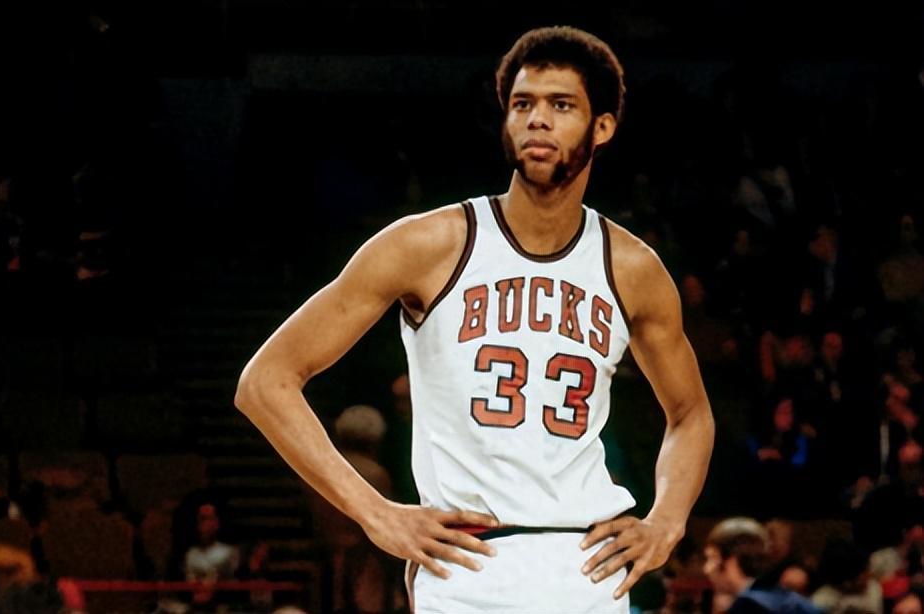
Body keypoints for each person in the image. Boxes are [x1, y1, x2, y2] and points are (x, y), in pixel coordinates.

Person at [235, 25, 714, 613]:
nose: (538, 120)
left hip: (587, 567)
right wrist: (374, 513)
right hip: (468, 560)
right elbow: (265, 382)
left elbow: (691, 413)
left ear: (603, 127)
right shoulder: (429, 244)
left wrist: (667, 520)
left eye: (561, 105)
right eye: (523, 104)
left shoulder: (633, 268)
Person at [702, 517, 820, 614]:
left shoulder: (749, 606)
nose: (706, 569)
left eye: (712, 558)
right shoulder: (788, 599)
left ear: (732, 561)